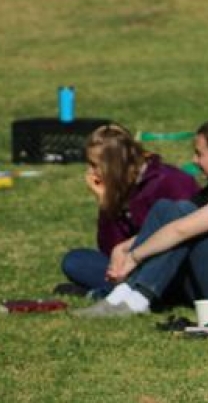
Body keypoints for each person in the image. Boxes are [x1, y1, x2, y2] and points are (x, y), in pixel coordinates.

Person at [75, 120, 208, 317]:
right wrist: (123, 247)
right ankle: (125, 293)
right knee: (166, 208)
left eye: (199, 154)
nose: (194, 160)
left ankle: (137, 298)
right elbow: (169, 221)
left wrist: (134, 257)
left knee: (182, 215)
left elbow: (182, 229)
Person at [58, 124, 198, 298]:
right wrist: (106, 204)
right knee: (74, 261)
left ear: (114, 165)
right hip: (132, 266)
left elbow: (184, 234)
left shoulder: (171, 181)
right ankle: (121, 290)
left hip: (171, 266)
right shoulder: (120, 185)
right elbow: (109, 252)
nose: (90, 172)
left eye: (95, 165)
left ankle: (112, 293)